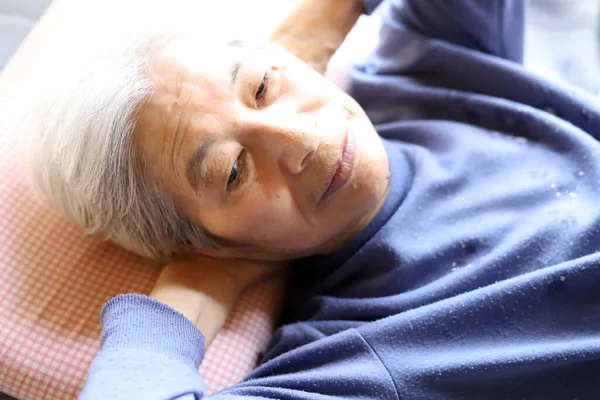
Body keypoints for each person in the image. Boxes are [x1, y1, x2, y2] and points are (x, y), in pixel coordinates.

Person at [28, 0, 600, 398]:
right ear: (205, 240)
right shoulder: (359, 358)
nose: (301, 140)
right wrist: (199, 284)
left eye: (260, 87)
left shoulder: (422, 66)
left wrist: (313, 31)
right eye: (231, 172)